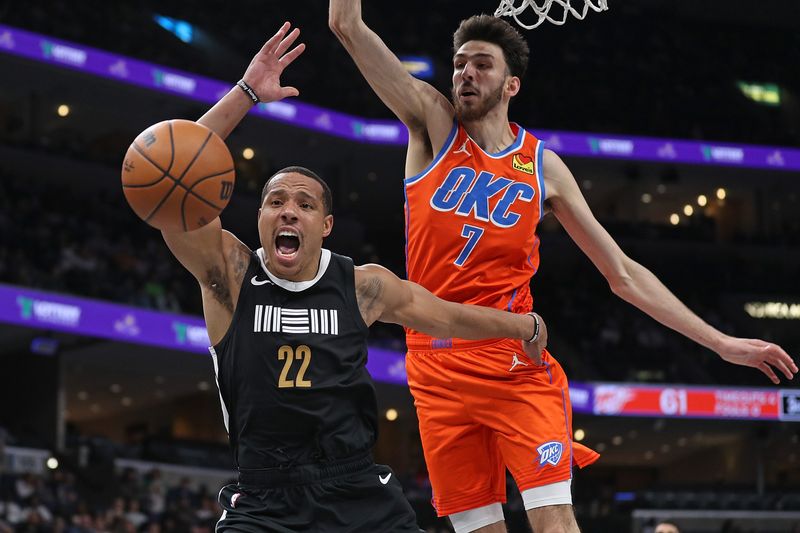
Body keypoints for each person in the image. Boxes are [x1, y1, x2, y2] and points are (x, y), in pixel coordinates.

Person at [327, 4, 799, 533]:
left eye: (482, 64)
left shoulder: (541, 165)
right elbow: (347, 24)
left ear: (512, 85)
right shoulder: (432, 124)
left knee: (554, 522)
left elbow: (622, 272)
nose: (466, 73)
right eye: (460, 63)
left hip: (512, 360)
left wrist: (720, 343)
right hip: (434, 370)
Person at [158, 23, 550, 532]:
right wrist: (247, 93)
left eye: (304, 203)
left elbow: (448, 316)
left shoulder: (362, 285)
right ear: (258, 220)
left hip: (358, 493)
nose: (288, 212)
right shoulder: (230, 275)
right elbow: (173, 181)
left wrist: (523, 327)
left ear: (326, 226)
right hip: (264, 499)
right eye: (275, 202)